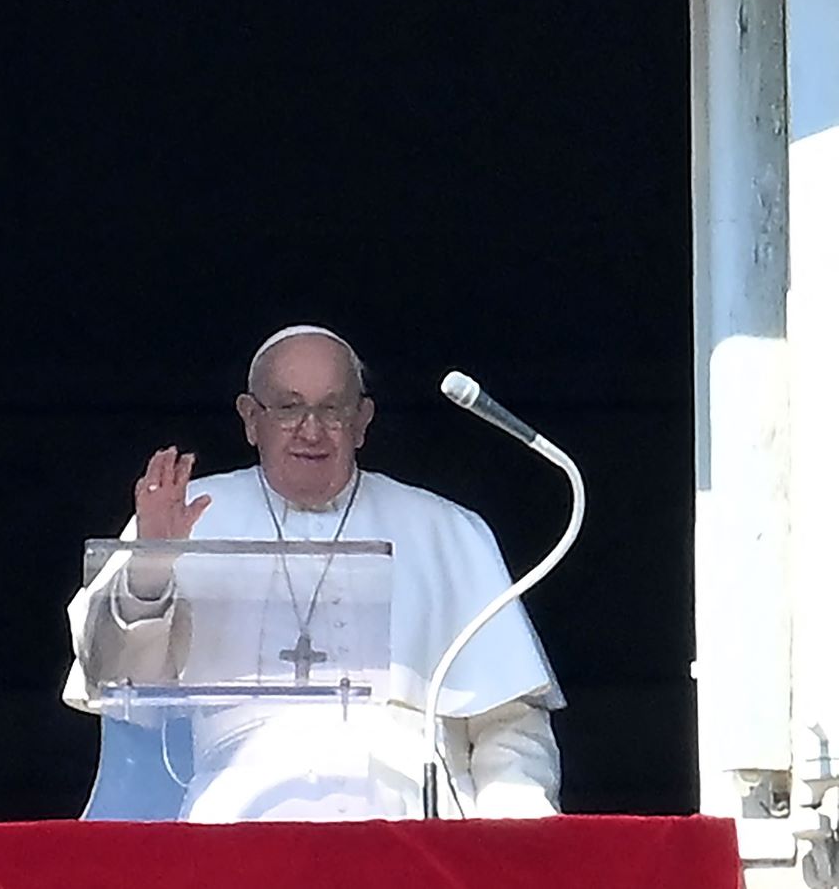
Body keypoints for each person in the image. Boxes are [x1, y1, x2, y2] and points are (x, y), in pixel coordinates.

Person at [63, 325, 564, 820]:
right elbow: (117, 680)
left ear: (362, 420)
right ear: (250, 419)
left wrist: (513, 840)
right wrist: (150, 568)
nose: (311, 429)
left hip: (414, 823)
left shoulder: (445, 529)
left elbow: (508, 723)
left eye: (332, 408)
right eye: (287, 408)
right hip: (238, 825)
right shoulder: (183, 517)